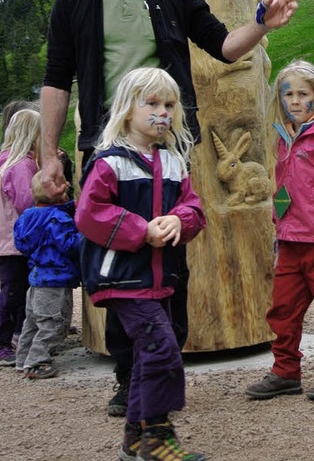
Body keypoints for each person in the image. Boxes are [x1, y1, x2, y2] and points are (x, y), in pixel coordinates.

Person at [38, 0, 300, 414]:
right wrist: (48, 154)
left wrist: (259, 24)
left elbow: (222, 46)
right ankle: (126, 374)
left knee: (171, 252)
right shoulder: (76, 0)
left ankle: (161, 365)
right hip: (106, 145)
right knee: (116, 259)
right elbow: (55, 82)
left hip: (170, 143)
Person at [75, 67, 206, 461]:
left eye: (168, 104)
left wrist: (178, 220)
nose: (162, 112)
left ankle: (134, 437)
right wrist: (139, 230)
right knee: (163, 351)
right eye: (151, 103)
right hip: (123, 278)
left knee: (149, 353)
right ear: (127, 110)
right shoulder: (109, 163)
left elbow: (194, 209)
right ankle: (158, 440)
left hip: (161, 276)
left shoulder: (173, 162)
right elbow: (89, 213)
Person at [246, 60, 314, 401]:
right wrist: (277, 215)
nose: (294, 101)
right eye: (288, 94)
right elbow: (284, 183)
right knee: (283, 309)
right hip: (291, 240)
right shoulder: (285, 137)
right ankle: (285, 370)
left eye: (302, 94)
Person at [13, 171, 80, 379]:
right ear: (59, 195)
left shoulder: (28, 216)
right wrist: (86, 235)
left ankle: (22, 358)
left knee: (32, 322)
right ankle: (37, 362)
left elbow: (21, 243)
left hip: (36, 280)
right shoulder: (58, 219)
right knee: (52, 323)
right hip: (55, 280)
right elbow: (70, 244)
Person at [0, 108, 41, 366]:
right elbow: (27, 201)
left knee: (21, 287)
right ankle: (0, 341)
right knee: (12, 290)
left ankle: (18, 334)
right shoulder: (22, 166)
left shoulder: (14, 161)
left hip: (16, 239)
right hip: (14, 240)